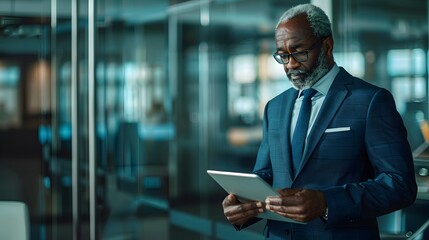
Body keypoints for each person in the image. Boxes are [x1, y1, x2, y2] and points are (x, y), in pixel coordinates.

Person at [222, 3, 417, 240]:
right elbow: (268, 175)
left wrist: (326, 203)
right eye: (283, 55)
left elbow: (399, 184)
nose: (290, 64)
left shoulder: (371, 101)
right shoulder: (275, 107)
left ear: (327, 46)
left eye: (299, 52)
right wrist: (243, 206)